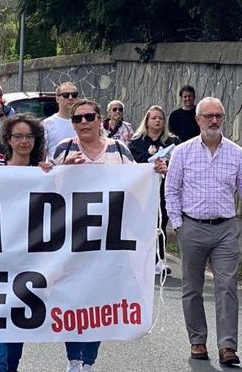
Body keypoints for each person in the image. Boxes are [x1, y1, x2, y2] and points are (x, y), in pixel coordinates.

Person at [51, 99, 145, 372]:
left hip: (109, 240)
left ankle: (88, 361)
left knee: (99, 300)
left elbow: (137, 185)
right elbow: (44, 189)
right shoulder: (63, 148)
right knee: (72, 299)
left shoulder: (119, 150)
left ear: (99, 119)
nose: (83, 123)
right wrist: (62, 169)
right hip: (71, 239)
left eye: (88, 117)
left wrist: (155, 173)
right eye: (77, 119)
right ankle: (73, 359)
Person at [165, 97, 242, 366]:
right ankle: (197, 340)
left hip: (226, 229)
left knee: (227, 287)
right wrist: (178, 226)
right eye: (208, 116)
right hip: (192, 227)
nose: (214, 121)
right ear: (198, 120)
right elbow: (171, 191)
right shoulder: (182, 152)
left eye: (218, 116)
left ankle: (227, 346)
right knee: (192, 288)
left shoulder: (236, 153)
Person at [0, 114, 51, 372]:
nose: (23, 141)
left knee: (17, 322)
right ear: (8, 140)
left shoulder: (44, 171)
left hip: (27, 262)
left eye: (28, 136)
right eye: (18, 136)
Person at [128, 105, 180, 275]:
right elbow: (131, 163)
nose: (157, 121)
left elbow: (180, 164)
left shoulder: (173, 142)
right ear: (147, 121)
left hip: (164, 190)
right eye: (154, 118)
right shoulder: (136, 142)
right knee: (143, 225)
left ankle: (160, 260)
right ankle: (141, 258)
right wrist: (148, 157)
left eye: (160, 118)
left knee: (161, 223)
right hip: (142, 191)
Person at [42, 82, 80, 158]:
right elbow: (42, 155)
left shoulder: (85, 121)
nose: (70, 98)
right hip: (57, 169)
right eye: (66, 95)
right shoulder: (47, 124)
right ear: (57, 99)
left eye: (74, 95)